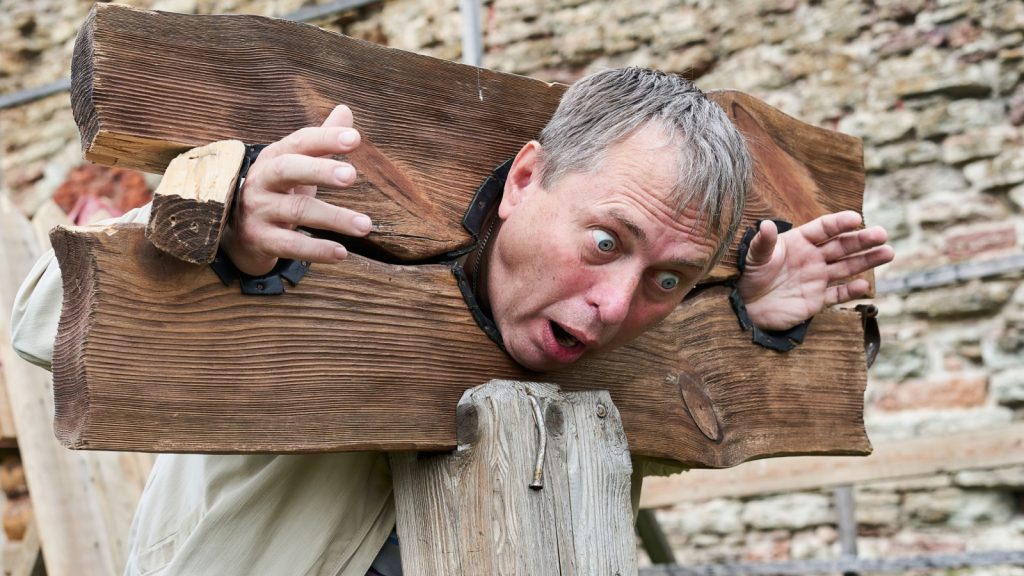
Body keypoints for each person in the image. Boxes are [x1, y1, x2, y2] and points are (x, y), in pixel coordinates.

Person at [11, 67, 892, 575]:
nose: (618, 305)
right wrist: (217, 227)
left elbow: (686, 419)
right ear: (521, 180)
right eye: (602, 239)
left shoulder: (630, 338)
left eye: (671, 280)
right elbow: (43, 317)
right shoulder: (315, 239)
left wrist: (753, 316)